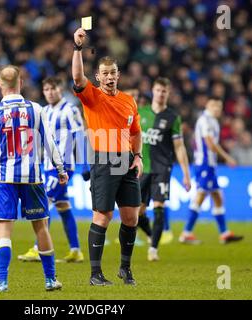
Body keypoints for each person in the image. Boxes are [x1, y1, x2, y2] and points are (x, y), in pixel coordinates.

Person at [0, 65, 68, 292]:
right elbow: (50, 143)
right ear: (20, 83)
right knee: (41, 228)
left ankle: (2, 282)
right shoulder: (37, 109)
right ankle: (50, 279)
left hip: (5, 179)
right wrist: (61, 169)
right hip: (33, 177)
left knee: (4, 230)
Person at [72, 28, 143, 286]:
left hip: (125, 160)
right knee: (102, 216)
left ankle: (125, 269)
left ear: (118, 75)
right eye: (105, 74)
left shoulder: (129, 101)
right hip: (103, 159)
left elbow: (136, 132)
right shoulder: (92, 96)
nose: (110, 77)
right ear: (98, 77)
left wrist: (138, 156)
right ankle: (95, 274)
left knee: (131, 217)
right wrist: (78, 48)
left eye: (113, 73)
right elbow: (77, 76)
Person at [18, 76, 85, 263]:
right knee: (63, 205)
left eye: (53, 88)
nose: (49, 92)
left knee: (43, 202)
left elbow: (79, 136)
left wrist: (85, 164)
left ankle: (38, 248)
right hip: (46, 166)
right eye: (46, 89)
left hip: (62, 167)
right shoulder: (44, 111)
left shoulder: (70, 110)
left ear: (60, 89)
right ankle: (75, 250)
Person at [137, 77, 191, 261]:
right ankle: (152, 234)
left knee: (159, 206)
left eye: (164, 91)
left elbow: (179, 146)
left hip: (162, 169)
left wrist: (186, 174)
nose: (161, 94)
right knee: (137, 212)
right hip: (142, 169)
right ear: (153, 90)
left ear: (169, 93)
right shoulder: (140, 113)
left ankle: (153, 249)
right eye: (158, 90)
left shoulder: (172, 118)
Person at [179, 98, 244, 244]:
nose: (217, 108)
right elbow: (209, 143)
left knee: (217, 196)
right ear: (207, 105)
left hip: (210, 164)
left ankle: (224, 233)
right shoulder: (205, 120)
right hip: (204, 163)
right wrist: (227, 158)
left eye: (219, 106)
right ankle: (186, 233)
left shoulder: (213, 121)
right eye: (214, 105)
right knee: (202, 194)